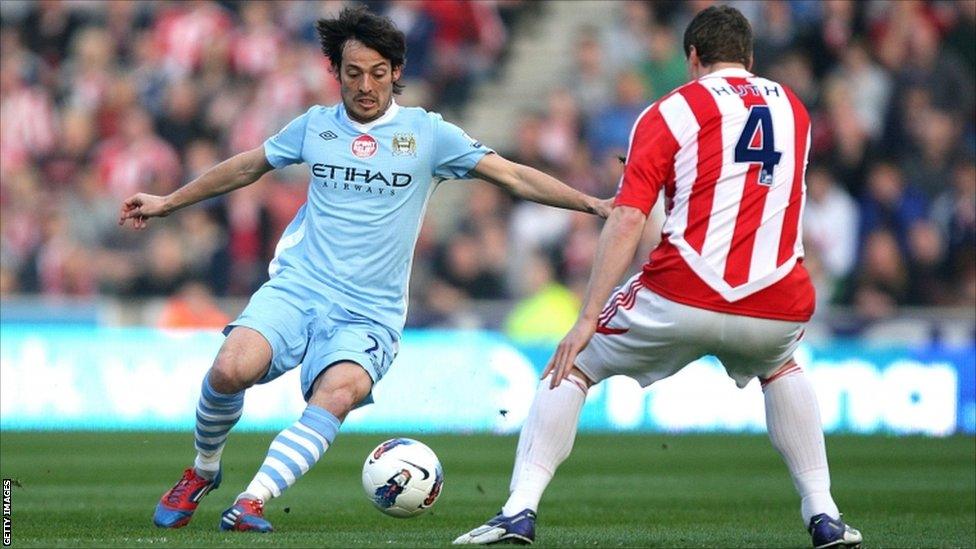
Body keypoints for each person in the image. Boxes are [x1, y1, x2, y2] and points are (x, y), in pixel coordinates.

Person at [119, 6, 611, 533]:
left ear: (396, 71)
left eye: (378, 72)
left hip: (370, 312)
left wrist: (594, 204)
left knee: (339, 392)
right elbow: (246, 165)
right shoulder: (314, 126)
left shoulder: (428, 134)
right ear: (337, 73)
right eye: (353, 73)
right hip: (299, 286)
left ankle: (252, 500)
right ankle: (203, 470)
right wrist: (169, 202)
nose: (366, 85)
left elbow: (511, 176)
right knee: (228, 369)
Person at [454, 6, 862, 548]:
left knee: (574, 363)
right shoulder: (795, 110)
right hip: (776, 301)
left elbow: (628, 216)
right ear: (751, 58)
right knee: (781, 367)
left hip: (683, 289)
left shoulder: (669, 111)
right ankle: (824, 515)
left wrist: (584, 317)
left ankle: (518, 510)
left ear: (692, 58)